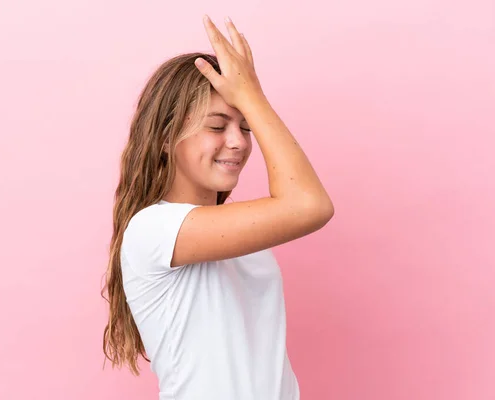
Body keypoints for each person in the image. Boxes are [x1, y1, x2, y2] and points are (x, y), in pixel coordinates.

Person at [101, 15, 334, 400]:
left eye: (245, 126)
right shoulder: (154, 229)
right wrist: (251, 97)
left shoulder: (240, 239)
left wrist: (250, 101)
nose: (239, 142)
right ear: (164, 137)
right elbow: (308, 205)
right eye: (216, 126)